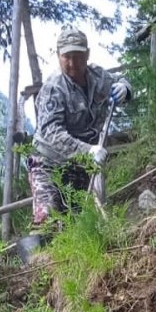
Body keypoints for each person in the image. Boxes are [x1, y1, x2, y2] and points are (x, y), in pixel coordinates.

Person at [28, 26, 132, 225]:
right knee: (48, 218)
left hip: (82, 165)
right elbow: (52, 133)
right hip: (48, 163)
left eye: (77, 56)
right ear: (58, 56)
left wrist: (125, 89)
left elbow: (120, 83)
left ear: (87, 54)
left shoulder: (98, 77)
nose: (72, 63)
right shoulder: (53, 89)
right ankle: (39, 254)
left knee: (82, 220)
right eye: (66, 57)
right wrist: (87, 151)